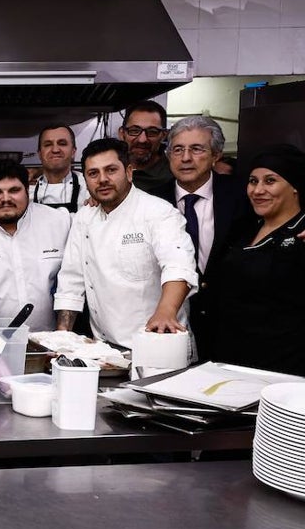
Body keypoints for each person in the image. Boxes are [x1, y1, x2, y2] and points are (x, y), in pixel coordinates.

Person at [54, 138, 198, 348]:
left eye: (111, 170)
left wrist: (165, 313)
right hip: (104, 349)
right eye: (93, 173)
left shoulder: (158, 212)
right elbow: (71, 282)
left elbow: (178, 266)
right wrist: (62, 337)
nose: (102, 179)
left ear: (129, 172)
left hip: (158, 343)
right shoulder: (84, 218)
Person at [153, 115, 249, 361]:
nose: (186, 158)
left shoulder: (244, 194)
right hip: (173, 324)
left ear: (216, 154)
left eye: (197, 149)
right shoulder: (150, 202)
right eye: (178, 150)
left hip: (233, 324)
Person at [211, 145, 305, 375]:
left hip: (284, 368)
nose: (258, 190)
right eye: (253, 181)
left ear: (295, 187)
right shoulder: (243, 228)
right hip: (230, 361)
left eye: (270, 181)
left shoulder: (302, 234)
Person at [0, 159, 71, 331]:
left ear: (27, 191)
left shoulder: (59, 222)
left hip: (50, 343)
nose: (6, 199)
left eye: (14, 190)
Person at [31, 124, 88, 212]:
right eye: (48, 144)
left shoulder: (89, 188)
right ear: (39, 154)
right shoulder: (27, 192)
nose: (55, 150)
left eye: (62, 144)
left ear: (73, 152)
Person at [120, 100, 172, 193]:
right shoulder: (108, 169)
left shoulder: (174, 174)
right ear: (122, 133)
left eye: (152, 132)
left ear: (164, 135)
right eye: (135, 131)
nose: (142, 140)